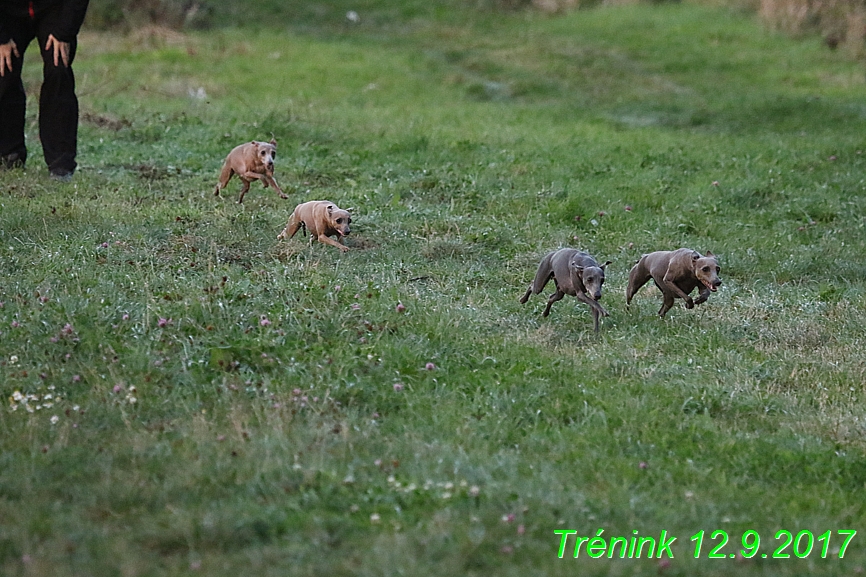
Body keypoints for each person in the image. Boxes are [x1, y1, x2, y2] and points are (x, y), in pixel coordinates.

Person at [0, 0, 89, 180]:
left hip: (54, 8)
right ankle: (9, 154)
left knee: (58, 69)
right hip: (7, 12)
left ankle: (61, 164)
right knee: (4, 71)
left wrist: (64, 32)